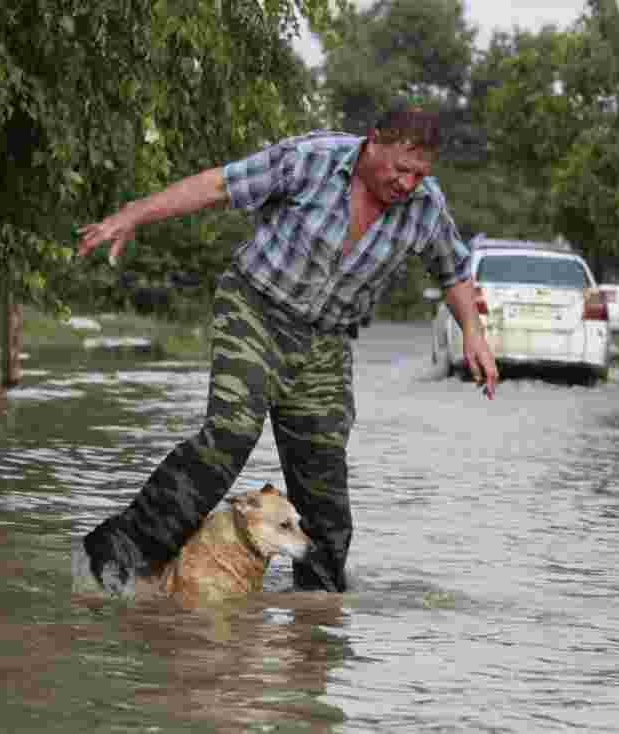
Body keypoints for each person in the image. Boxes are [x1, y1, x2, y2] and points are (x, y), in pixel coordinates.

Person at [74, 106, 498, 596]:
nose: (407, 184)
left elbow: (453, 268)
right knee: (230, 435)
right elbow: (218, 185)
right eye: (400, 169)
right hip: (255, 309)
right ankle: (118, 557)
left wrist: (473, 331)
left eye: (419, 174)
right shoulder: (309, 161)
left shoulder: (426, 207)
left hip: (325, 341)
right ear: (374, 141)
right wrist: (133, 215)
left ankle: (316, 615)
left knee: (324, 490)